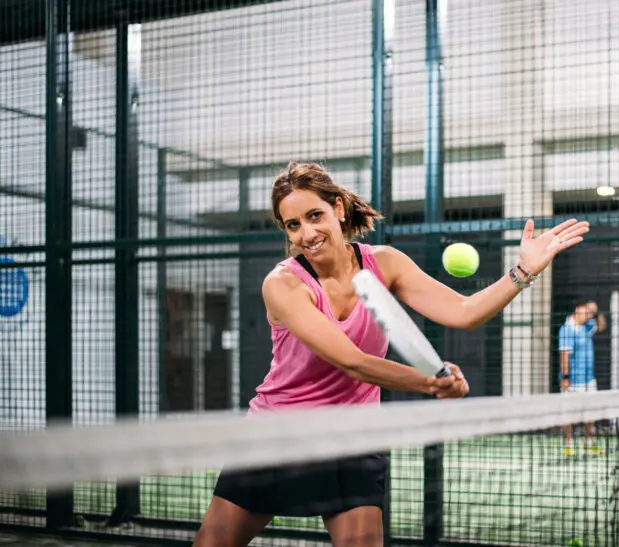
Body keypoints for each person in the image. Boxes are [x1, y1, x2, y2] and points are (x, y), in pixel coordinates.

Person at [193, 161, 590, 547]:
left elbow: (463, 313)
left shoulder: (385, 263)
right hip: (278, 435)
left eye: (315, 215)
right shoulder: (282, 284)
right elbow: (350, 360)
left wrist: (523, 271)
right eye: (293, 225)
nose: (307, 233)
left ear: (339, 208)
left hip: (355, 438)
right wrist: (430, 381)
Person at [558, 299, 607, 456]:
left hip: (589, 379)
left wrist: (597, 312)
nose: (590, 315)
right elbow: (564, 355)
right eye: (588, 311)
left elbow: (601, 326)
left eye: (592, 313)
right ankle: (568, 445)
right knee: (568, 414)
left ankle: (589, 443)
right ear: (578, 308)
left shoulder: (587, 326)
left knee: (591, 412)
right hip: (572, 380)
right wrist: (565, 377)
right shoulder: (567, 329)